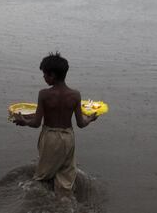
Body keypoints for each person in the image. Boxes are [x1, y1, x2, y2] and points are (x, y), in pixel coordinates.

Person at [13, 52, 98, 198]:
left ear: (52, 75)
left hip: (50, 137)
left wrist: (23, 121)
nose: (44, 78)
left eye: (44, 74)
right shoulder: (75, 95)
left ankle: (39, 199)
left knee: (43, 173)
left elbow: (36, 123)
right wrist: (90, 119)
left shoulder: (44, 94)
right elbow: (81, 123)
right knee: (66, 174)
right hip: (68, 137)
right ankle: (65, 200)